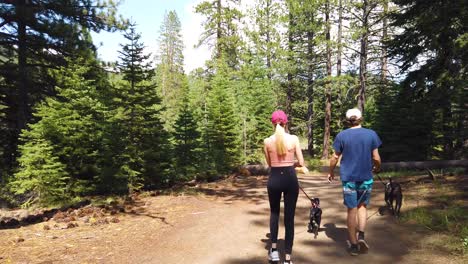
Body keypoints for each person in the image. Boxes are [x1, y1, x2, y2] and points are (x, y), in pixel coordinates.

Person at [327, 108, 382, 256]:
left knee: (352, 209)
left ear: (348, 120)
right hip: (366, 178)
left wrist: (331, 172)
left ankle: (353, 245)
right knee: (362, 206)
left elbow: (334, 157)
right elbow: (376, 157)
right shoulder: (371, 134)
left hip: (349, 179)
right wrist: (376, 168)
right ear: (360, 119)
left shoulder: (342, 135)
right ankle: (361, 235)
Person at [263, 110, 304, 264]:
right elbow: (301, 162)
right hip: (290, 179)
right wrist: (290, 164)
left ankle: (273, 251)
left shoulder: (267, 141)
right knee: (289, 217)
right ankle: (287, 257)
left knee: (274, 213)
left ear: (272, 123)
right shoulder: (293, 139)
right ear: (286, 122)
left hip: (274, 179)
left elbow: (270, 164)